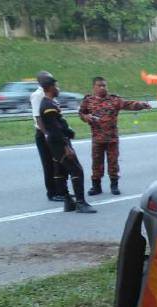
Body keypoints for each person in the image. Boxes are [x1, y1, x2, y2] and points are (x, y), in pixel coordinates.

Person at [78, 76, 150, 196]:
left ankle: (114, 185)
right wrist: (86, 117)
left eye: (104, 85)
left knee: (113, 163)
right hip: (97, 139)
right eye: (99, 85)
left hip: (112, 138)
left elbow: (128, 104)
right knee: (96, 163)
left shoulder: (113, 100)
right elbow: (81, 113)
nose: (102, 88)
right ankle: (96, 186)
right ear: (94, 87)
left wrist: (141, 104)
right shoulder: (88, 101)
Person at [39, 77, 95, 213]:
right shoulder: (48, 106)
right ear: (51, 87)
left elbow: (58, 126)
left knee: (60, 171)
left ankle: (68, 201)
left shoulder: (48, 103)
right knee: (76, 170)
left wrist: (69, 132)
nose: (58, 89)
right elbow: (55, 129)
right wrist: (66, 146)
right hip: (59, 143)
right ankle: (81, 203)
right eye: (56, 86)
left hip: (55, 142)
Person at [31, 70, 64, 201]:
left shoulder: (49, 94)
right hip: (44, 133)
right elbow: (38, 117)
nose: (51, 81)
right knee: (48, 164)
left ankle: (60, 191)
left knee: (58, 162)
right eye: (49, 79)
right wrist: (46, 135)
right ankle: (52, 192)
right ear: (41, 81)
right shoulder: (37, 95)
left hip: (53, 132)